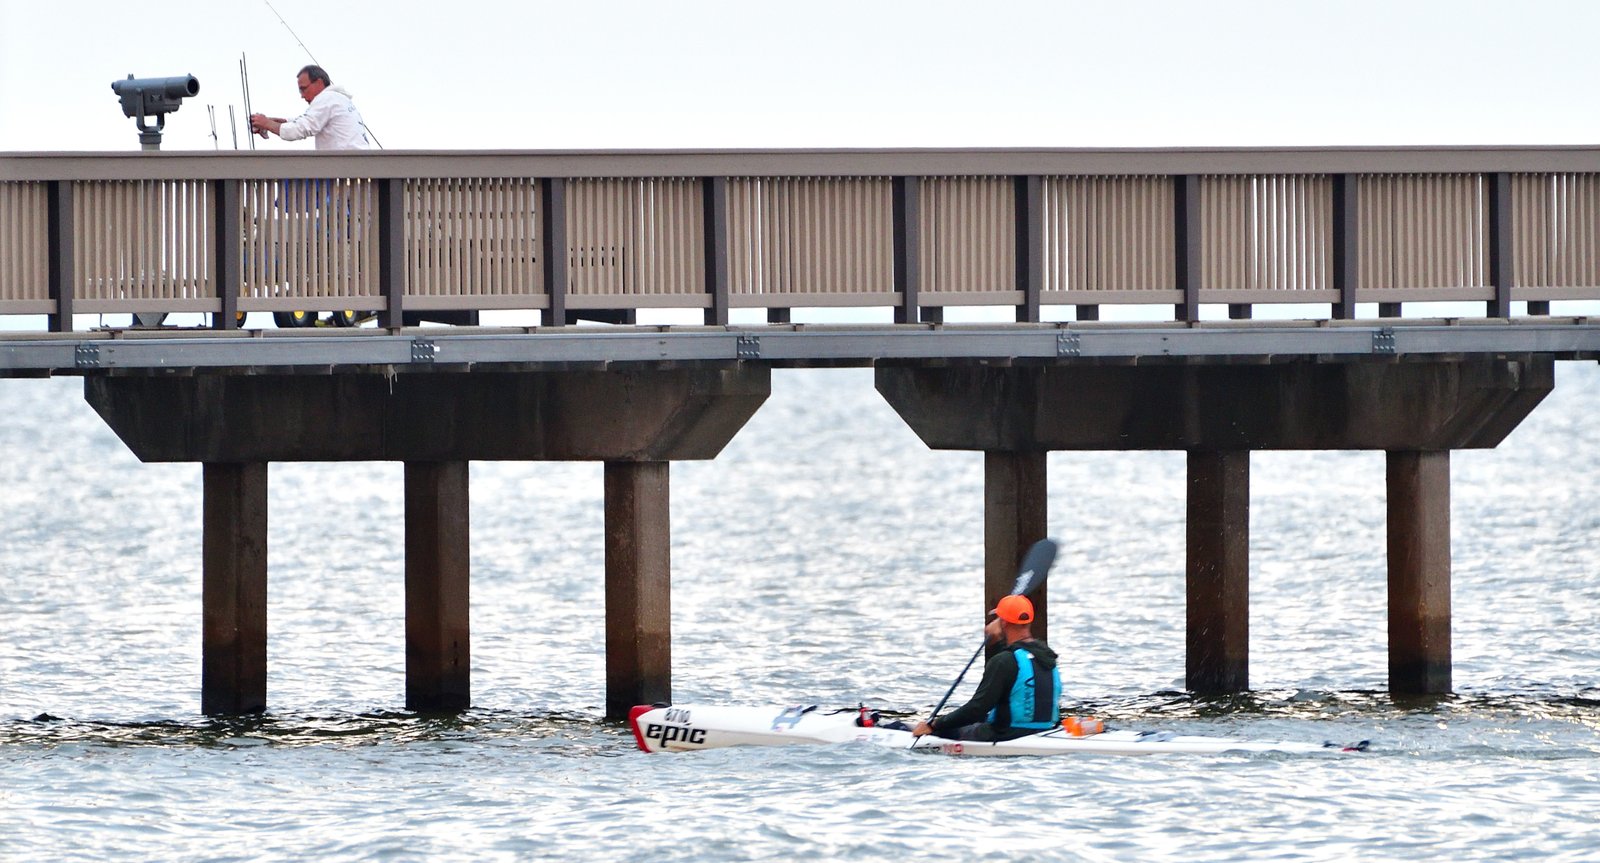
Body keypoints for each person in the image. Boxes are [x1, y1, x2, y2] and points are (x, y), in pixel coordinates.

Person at [912, 594, 1061, 741]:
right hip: (1045, 730)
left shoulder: (1004, 661)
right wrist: (995, 643)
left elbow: (976, 709)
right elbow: (1012, 673)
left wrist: (934, 725)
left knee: (902, 727)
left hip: (1005, 734)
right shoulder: (1047, 656)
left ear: (1003, 623)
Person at [250, 65, 371, 150]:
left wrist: (267, 124)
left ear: (319, 83)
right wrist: (270, 121)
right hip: (356, 170)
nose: (302, 95)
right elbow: (302, 121)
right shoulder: (339, 100)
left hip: (346, 174)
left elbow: (299, 129)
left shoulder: (326, 98)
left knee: (293, 182)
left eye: (303, 89)